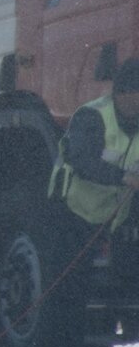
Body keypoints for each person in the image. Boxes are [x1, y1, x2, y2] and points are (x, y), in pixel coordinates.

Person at [47, 56, 139, 296]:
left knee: (123, 283)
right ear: (120, 94)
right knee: (68, 289)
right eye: (133, 94)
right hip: (73, 213)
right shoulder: (92, 116)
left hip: (114, 217)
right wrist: (125, 177)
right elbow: (84, 161)